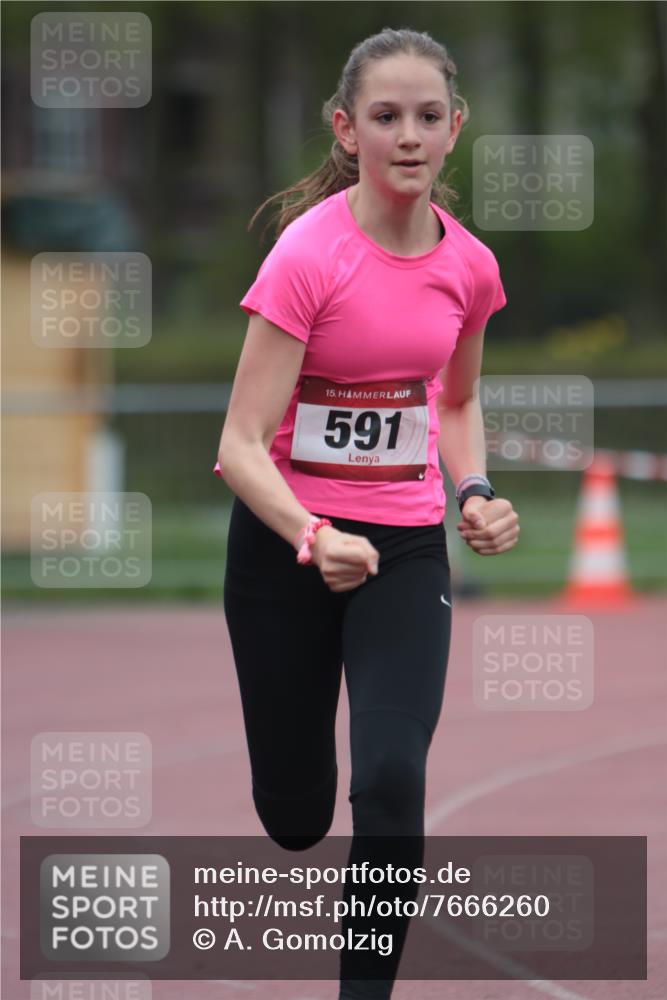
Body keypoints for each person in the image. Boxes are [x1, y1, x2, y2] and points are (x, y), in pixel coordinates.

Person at [215, 25, 519, 1000]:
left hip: (402, 550)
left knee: (390, 780)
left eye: (428, 116)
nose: (408, 135)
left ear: (455, 129)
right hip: (284, 549)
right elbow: (238, 443)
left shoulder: (467, 268)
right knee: (298, 813)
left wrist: (471, 491)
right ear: (346, 130)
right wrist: (310, 532)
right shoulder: (309, 256)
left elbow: (458, 403)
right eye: (385, 116)